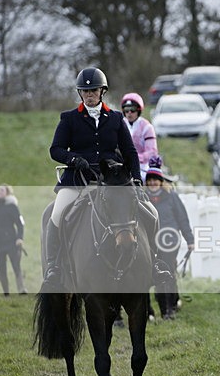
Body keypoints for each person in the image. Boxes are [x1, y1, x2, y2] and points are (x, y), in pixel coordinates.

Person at [42, 66, 169, 290]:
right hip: (79, 180)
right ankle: (54, 266)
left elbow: (129, 152)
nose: (89, 95)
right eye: (85, 92)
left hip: (112, 180)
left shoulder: (116, 119)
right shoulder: (69, 119)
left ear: (102, 92)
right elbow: (56, 149)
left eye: (93, 91)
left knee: (152, 212)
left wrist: (134, 180)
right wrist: (73, 159)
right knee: (57, 213)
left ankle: (156, 262)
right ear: (80, 93)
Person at [145, 156, 194, 320]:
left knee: (167, 275)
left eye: (155, 180)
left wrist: (190, 240)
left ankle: (168, 310)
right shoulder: (143, 199)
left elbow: (182, 219)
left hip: (168, 242)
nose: (152, 183)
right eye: (150, 180)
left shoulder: (171, 197)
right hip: (150, 244)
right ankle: (154, 309)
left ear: (160, 181)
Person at [120, 92, 160, 178]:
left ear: (139, 110)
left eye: (132, 110)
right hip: (122, 164)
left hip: (143, 166)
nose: (129, 113)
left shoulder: (147, 127)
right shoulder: (119, 124)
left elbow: (152, 152)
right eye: (126, 110)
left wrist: (135, 158)